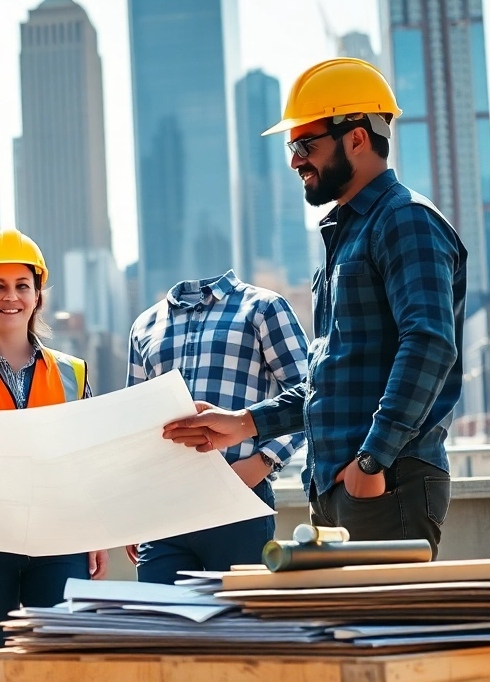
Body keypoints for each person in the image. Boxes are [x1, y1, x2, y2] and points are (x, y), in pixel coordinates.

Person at [166, 58, 467, 557]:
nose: (294, 160)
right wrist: (245, 422)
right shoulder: (344, 235)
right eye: (293, 146)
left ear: (357, 137)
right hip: (336, 486)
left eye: (306, 144)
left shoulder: (405, 221)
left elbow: (430, 345)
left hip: (384, 483)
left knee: (383, 633)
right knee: (348, 635)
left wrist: (372, 461)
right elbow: (332, 380)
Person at [0, 229, 108, 653]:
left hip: (58, 541)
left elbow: (86, 458)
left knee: (60, 663)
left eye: (23, 286)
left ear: (37, 295)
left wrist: (93, 532)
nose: (12, 297)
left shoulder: (71, 372)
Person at [126, 271, 309, 581]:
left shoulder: (263, 307)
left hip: (240, 499)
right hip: (164, 509)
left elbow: (311, 392)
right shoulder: (145, 325)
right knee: (161, 624)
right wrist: (134, 504)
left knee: (238, 624)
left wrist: (263, 462)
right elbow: (136, 420)